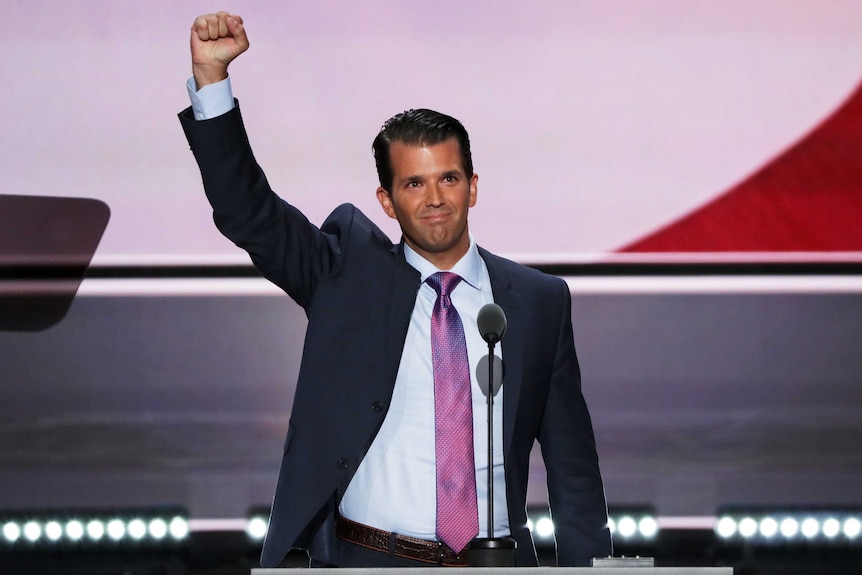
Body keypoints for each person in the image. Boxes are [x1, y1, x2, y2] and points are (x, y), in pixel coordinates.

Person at [179, 11, 612, 568]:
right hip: (372, 559)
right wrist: (212, 81)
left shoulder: (539, 301)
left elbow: (573, 468)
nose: (435, 198)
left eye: (448, 178)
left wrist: (595, 569)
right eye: (414, 182)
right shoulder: (345, 276)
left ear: (473, 187)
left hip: (498, 563)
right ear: (387, 200)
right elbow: (248, 212)